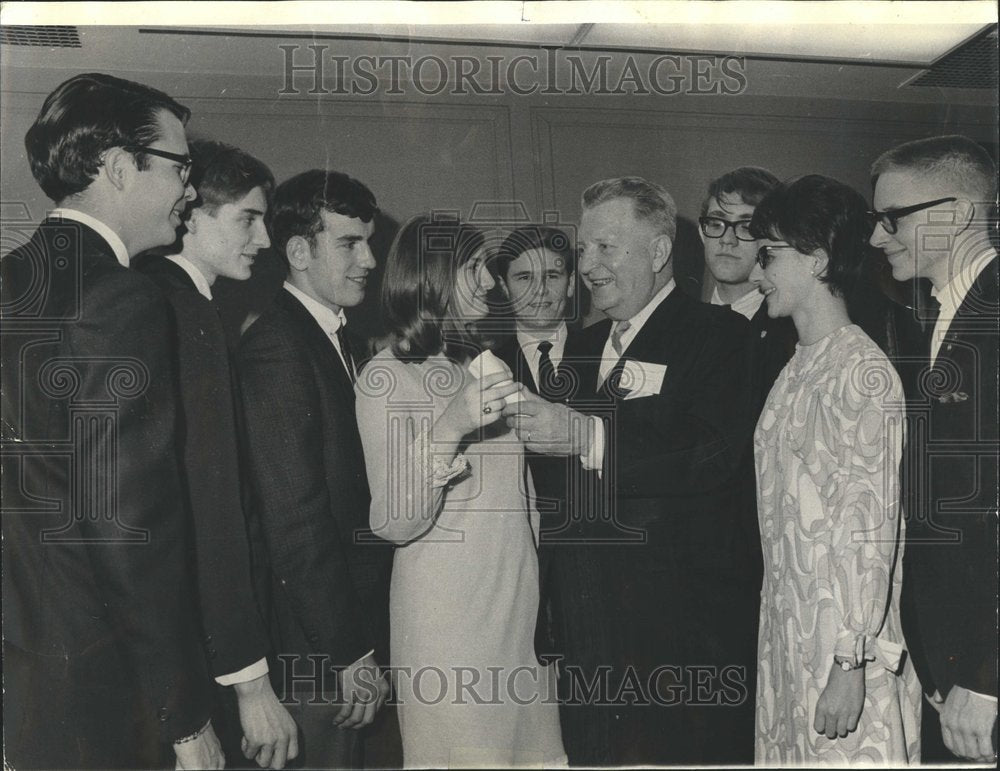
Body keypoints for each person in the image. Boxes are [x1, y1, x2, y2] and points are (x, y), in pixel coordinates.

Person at [0, 73, 221, 768]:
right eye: (182, 167)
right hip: (102, 686)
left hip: (27, 666)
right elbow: (128, 526)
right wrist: (183, 717)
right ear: (122, 168)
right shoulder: (122, 297)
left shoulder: (10, 279)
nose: (191, 188)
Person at [504, 177, 754, 765]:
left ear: (660, 252)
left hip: (681, 642)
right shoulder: (581, 349)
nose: (587, 266)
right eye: (584, 249)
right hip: (588, 638)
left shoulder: (721, 337)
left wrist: (585, 434)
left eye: (606, 248)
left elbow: (709, 458)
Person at [355, 214, 566, 768]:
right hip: (449, 625)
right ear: (433, 276)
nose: (493, 284)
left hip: (519, 614)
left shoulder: (480, 364)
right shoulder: (387, 378)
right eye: (475, 268)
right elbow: (393, 523)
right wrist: (449, 428)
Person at [135, 140, 299, 769]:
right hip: (202, 663)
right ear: (190, 215)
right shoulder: (183, 311)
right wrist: (251, 679)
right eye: (247, 219)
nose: (262, 240)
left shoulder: (160, 298)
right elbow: (212, 507)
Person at [748, 174, 921, 764]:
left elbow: (870, 533)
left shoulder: (861, 373)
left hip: (843, 651)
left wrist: (851, 663)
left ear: (818, 259)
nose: (755, 272)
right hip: (790, 634)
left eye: (768, 255)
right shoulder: (797, 366)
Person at [237, 170, 392, 769]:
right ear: (298, 251)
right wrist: (349, 651)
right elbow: (295, 520)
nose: (371, 259)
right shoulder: (279, 345)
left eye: (368, 241)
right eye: (350, 243)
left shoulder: (333, 336)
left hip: (335, 631)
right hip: (318, 646)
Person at [869, 135, 998, 764]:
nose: (877, 237)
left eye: (893, 218)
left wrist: (988, 674)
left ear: (960, 214)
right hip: (950, 659)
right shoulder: (944, 315)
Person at [700, 166, 797, 413]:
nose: (727, 239)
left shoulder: (791, 334)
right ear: (703, 233)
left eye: (746, 227)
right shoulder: (679, 323)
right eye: (716, 222)